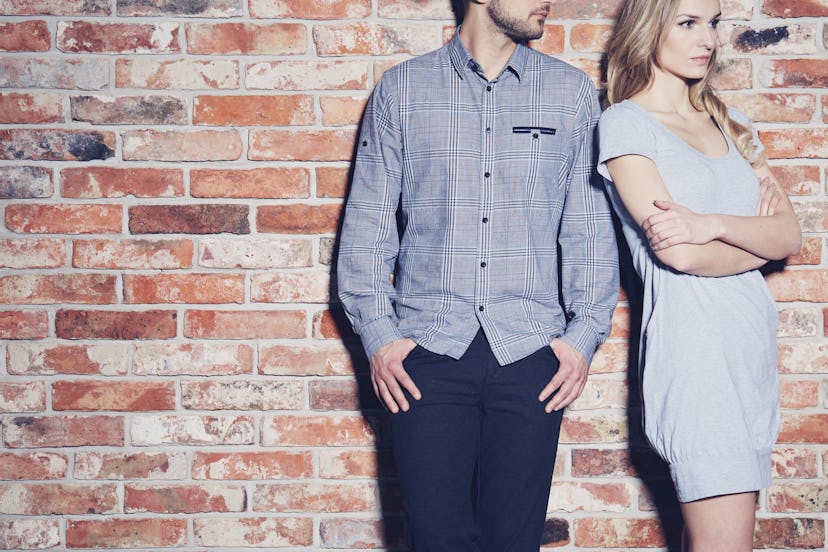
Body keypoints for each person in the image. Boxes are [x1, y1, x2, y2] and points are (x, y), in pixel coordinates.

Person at [337, 1, 619, 550]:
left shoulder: (571, 93)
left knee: (513, 541)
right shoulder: (403, 90)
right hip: (425, 356)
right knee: (436, 539)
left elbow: (587, 228)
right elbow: (368, 228)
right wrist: (380, 338)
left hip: (532, 353)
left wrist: (583, 337)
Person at [597, 0, 802, 550]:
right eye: (688, 23)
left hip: (748, 352)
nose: (706, 38)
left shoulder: (724, 121)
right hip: (697, 356)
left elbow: (789, 236)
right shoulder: (625, 123)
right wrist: (750, 243)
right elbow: (680, 255)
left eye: (712, 22)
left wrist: (709, 223)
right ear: (650, 28)